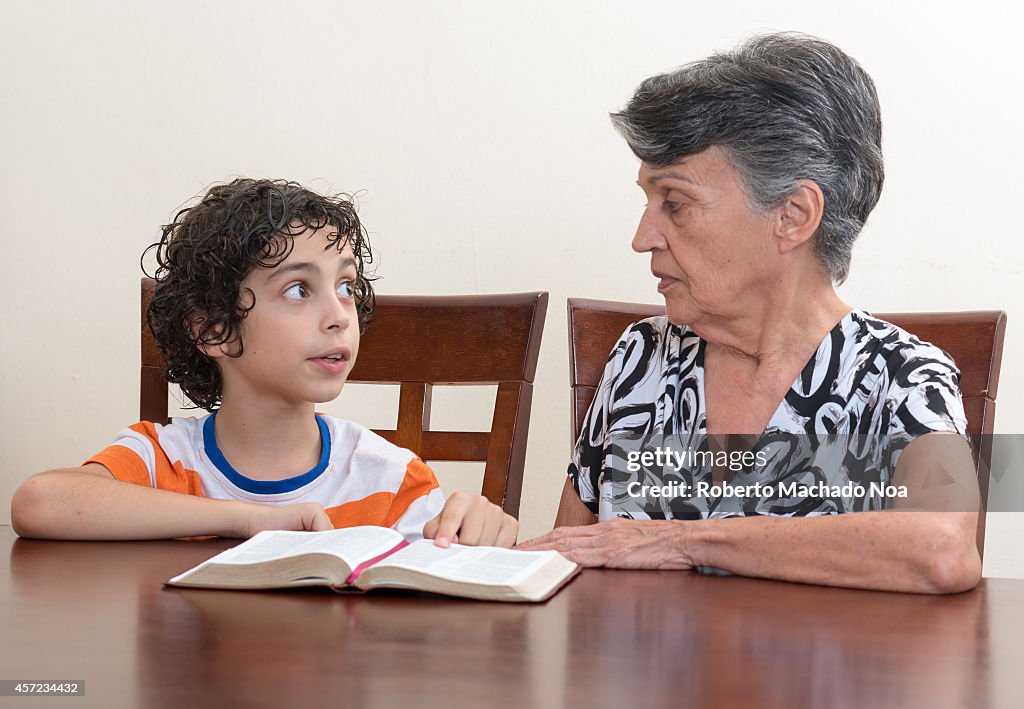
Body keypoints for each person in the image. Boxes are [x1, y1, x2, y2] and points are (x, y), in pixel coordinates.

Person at [518, 33, 982, 593]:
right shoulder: (640, 359)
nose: (643, 238)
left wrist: (680, 542)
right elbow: (563, 569)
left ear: (793, 214)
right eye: (646, 201)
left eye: (675, 203)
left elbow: (942, 549)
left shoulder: (902, 377)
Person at [11, 179, 517, 547]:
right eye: (299, 290)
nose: (340, 315)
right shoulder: (160, 460)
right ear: (213, 329)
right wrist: (248, 519)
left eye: (346, 286)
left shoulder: (391, 482)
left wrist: (477, 531)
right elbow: (40, 503)